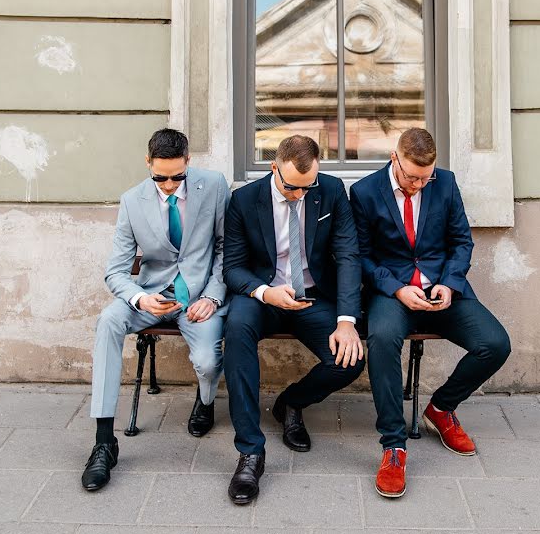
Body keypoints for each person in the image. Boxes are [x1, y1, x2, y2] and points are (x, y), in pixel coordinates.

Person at [349, 127, 511, 498]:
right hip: (392, 292)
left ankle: (441, 408)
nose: (419, 184)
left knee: (495, 343)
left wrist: (449, 283)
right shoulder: (364, 192)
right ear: (395, 159)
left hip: (441, 290)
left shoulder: (446, 183)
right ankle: (394, 445)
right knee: (383, 339)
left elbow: (461, 241)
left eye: (426, 177)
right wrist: (396, 288)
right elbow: (361, 256)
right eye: (412, 176)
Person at [82, 128, 229, 491]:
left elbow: (228, 248)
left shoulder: (213, 186)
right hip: (151, 297)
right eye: (160, 176)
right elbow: (115, 272)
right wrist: (139, 298)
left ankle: (206, 401)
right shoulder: (132, 201)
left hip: (198, 300)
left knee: (208, 363)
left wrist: (211, 296)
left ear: (188, 162)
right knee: (108, 321)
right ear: (148, 164)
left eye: (177, 176)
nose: (168, 184)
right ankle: (104, 441)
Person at [222, 135, 364, 505]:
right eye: (291, 187)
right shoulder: (244, 200)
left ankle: (291, 402)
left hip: (311, 297)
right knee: (235, 330)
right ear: (274, 168)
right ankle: (251, 451)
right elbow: (233, 268)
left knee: (350, 359)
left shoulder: (332, 191)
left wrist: (346, 320)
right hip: (263, 296)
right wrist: (265, 292)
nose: (300, 195)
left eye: (307, 186)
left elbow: (348, 255)